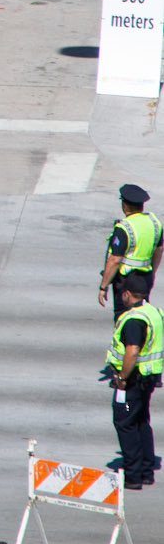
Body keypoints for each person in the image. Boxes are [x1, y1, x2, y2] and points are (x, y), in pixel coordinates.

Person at [105, 281, 162, 490]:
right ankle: (146, 471)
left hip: (132, 381)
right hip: (148, 379)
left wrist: (121, 378)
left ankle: (133, 475)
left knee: (125, 423)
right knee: (140, 421)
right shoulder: (154, 312)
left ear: (127, 293)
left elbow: (132, 351)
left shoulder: (133, 319)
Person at [101, 184, 163, 315]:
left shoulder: (124, 227)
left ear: (124, 205)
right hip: (145, 278)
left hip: (126, 280)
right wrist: (152, 273)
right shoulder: (154, 222)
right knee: (142, 314)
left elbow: (115, 260)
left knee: (125, 318)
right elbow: (159, 249)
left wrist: (103, 286)